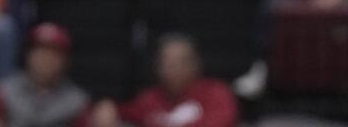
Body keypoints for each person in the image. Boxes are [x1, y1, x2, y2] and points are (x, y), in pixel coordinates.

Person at [89, 35, 237, 127]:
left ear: (196, 65)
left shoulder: (216, 93)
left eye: (179, 63)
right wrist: (108, 107)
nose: (172, 70)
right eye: (166, 64)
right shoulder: (150, 99)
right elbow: (126, 112)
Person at [0, 23, 88, 127]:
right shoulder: (4, 91)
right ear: (28, 55)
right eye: (40, 52)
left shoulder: (77, 102)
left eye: (53, 53)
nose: (46, 59)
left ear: (66, 61)